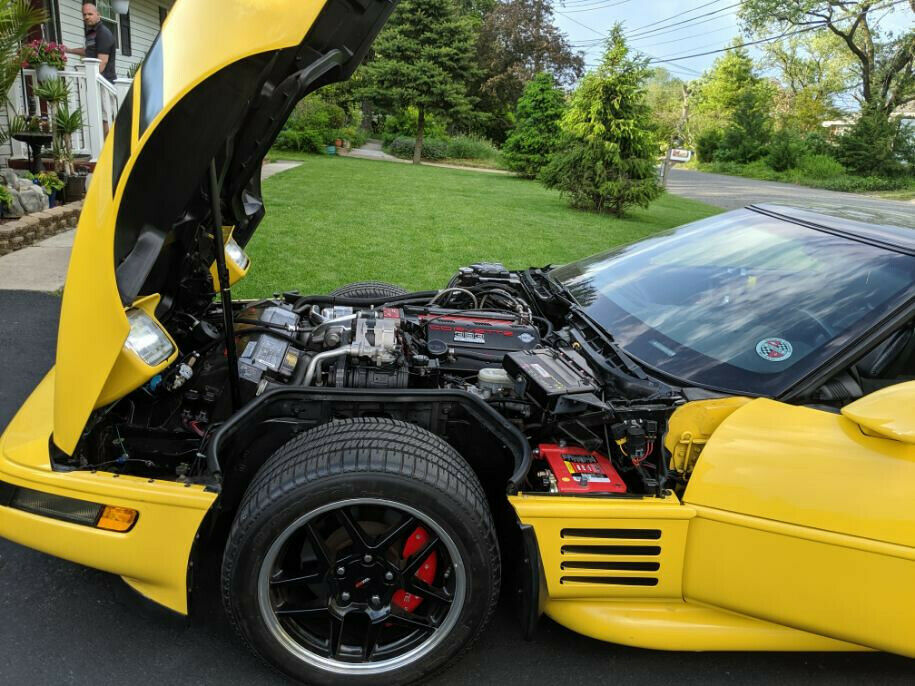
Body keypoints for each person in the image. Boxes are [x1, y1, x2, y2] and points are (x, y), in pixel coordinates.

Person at [68, 3, 116, 82]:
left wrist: (91, 79)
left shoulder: (103, 33)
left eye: (90, 14)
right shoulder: (92, 32)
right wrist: (69, 50)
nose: (86, 17)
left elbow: (103, 61)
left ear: (98, 15)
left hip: (104, 81)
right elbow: (89, 51)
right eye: (84, 15)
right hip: (95, 79)